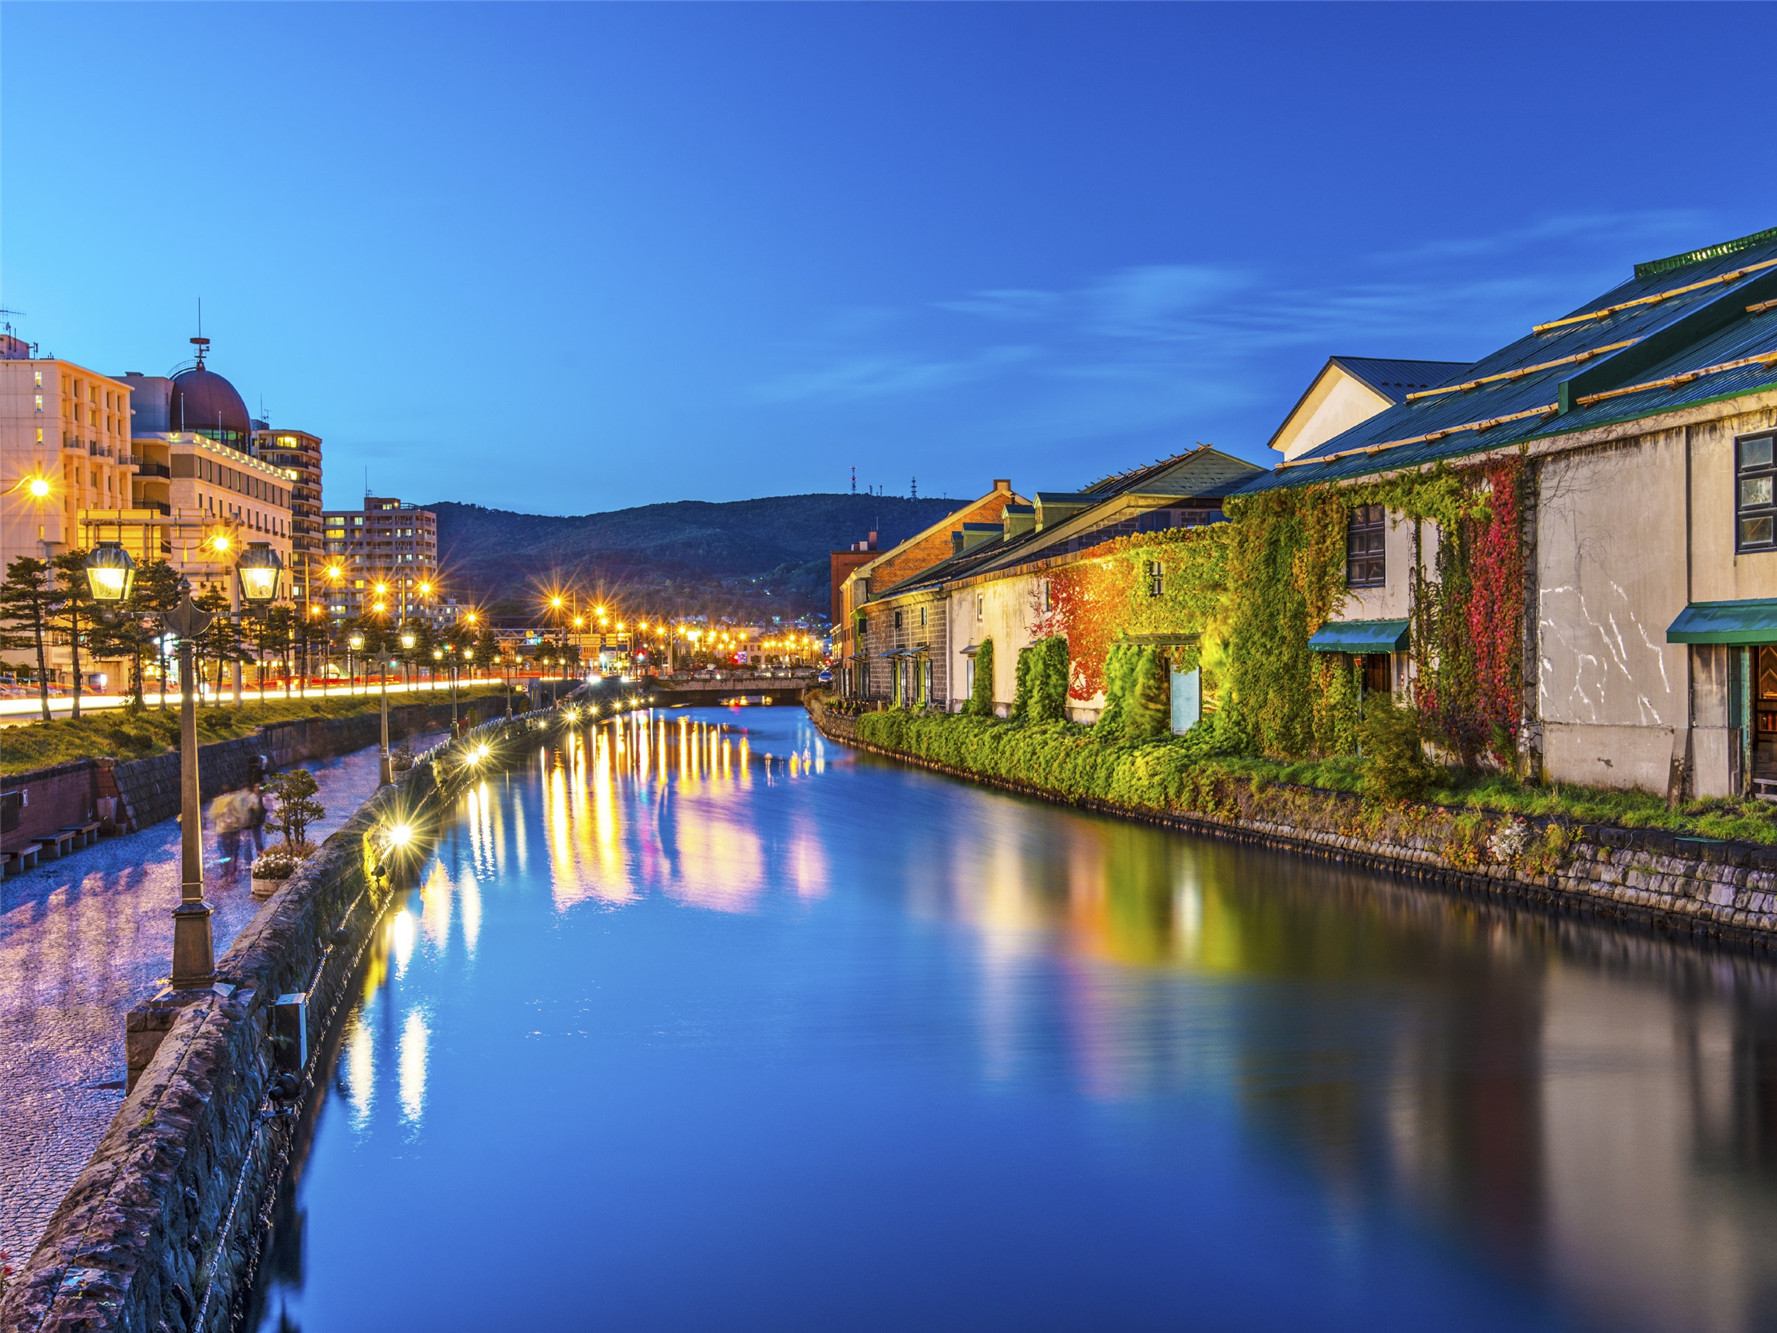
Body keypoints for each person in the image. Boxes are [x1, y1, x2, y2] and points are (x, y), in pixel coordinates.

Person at [211, 789, 249, 883]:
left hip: (223, 830)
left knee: (225, 852)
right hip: (235, 829)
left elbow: (212, 815)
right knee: (234, 851)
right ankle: (232, 873)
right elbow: (242, 814)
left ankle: (226, 872)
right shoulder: (236, 800)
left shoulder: (218, 802)